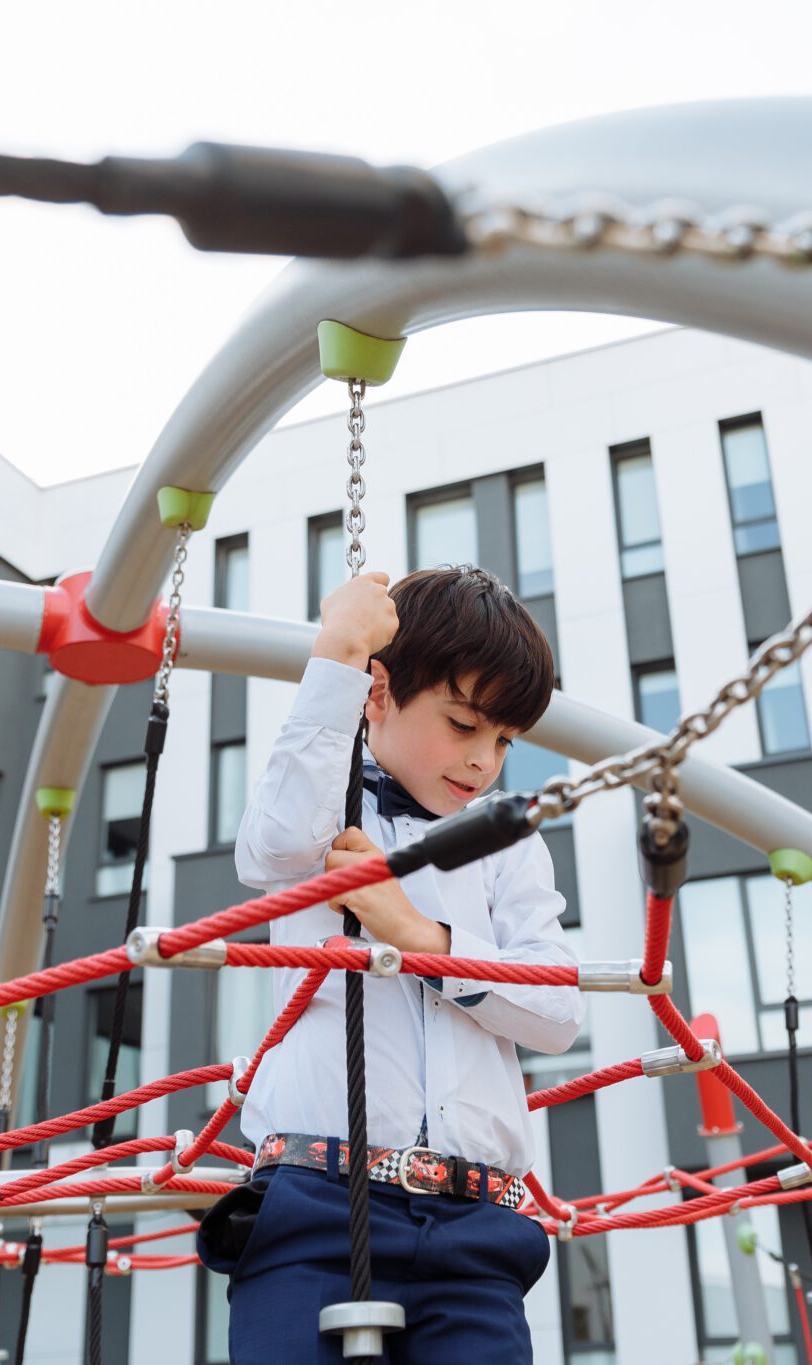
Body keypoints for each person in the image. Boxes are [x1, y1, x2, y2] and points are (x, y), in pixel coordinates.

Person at [197, 565, 582, 1362]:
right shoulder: (322, 810)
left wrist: (418, 934)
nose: (483, 760)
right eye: (464, 723)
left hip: (475, 1226)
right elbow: (267, 845)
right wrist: (338, 651)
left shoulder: (508, 841)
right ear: (378, 696)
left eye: (504, 740)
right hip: (314, 1205)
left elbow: (557, 1012)